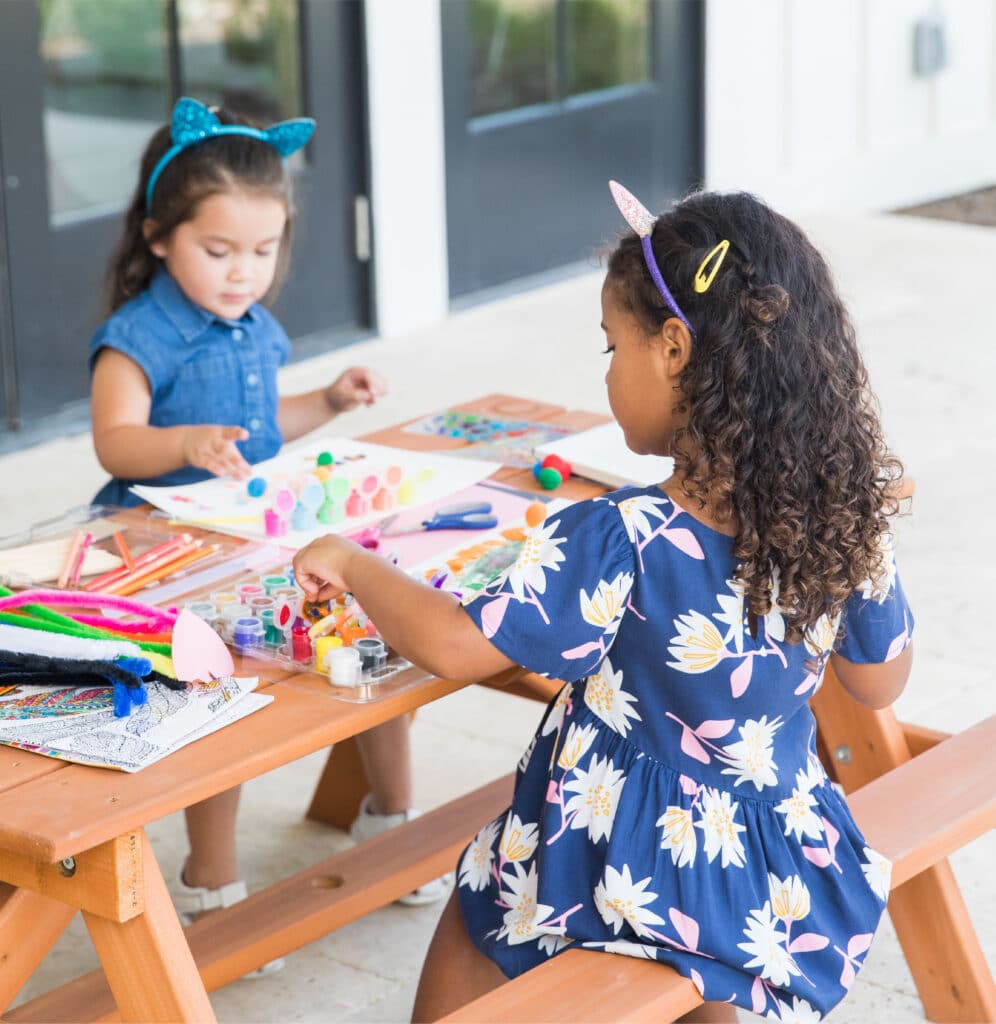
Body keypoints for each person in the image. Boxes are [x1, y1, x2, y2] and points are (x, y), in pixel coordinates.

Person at [293, 185, 914, 1023]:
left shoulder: (624, 535)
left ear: (672, 348)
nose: (609, 372)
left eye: (610, 348)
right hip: (767, 873)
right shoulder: (842, 519)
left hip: (613, 859)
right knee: (698, 980)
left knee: (481, 905)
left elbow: (455, 646)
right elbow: (879, 684)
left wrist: (355, 563)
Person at [88, 97, 446, 934]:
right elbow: (116, 441)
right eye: (218, 251)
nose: (243, 272)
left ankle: (392, 817)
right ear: (158, 236)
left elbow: (263, 423)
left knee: (368, 631)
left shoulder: (255, 328)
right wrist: (185, 439)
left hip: (249, 533)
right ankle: (211, 870)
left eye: (263, 249)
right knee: (218, 688)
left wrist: (326, 398)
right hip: (159, 549)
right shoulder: (138, 335)